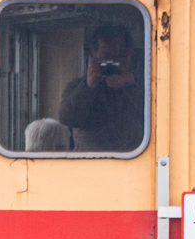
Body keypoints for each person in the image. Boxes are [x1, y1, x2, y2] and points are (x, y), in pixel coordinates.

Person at [58, 23, 144, 153]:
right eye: (106, 57)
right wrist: (87, 87)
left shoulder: (144, 86)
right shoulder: (77, 87)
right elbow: (67, 119)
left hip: (134, 160)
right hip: (91, 164)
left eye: (122, 55)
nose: (115, 63)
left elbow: (159, 116)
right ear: (93, 55)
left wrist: (132, 85)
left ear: (131, 55)